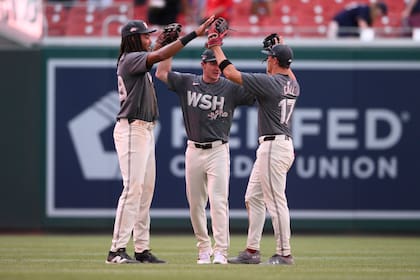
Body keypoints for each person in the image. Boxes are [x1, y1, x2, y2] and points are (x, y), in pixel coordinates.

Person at [106, 16, 214, 264]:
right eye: (145, 35)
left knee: (144, 192)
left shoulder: (135, 59)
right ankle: (116, 250)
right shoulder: (131, 59)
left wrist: (165, 42)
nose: (148, 38)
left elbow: (156, 54)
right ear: (134, 39)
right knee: (132, 190)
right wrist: (191, 36)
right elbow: (154, 56)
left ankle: (141, 249)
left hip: (143, 130)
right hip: (132, 129)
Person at [207, 24, 300, 265]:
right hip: (278, 145)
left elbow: (231, 74)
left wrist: (216, 48)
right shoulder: (291, 84)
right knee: (254, 198)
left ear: (274, 61)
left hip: (274, 146)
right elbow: (289, 71)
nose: (266, 61)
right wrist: (281, 45)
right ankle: (252, 251)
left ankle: (284, 253)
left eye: (269, 57)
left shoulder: (270, 83)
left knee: (276, 201)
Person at [155, 49, 255, 264]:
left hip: (218, 149)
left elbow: (259, 93)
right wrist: (170, 48)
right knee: (195, 204)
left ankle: (221, 250)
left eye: (218, 64)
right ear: (203, 64)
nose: (216, 68)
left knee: (219, 201)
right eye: (212, 64)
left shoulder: (230, 88)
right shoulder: (188, 82)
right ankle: (203, 248)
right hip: (194, 149)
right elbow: (162, 73)